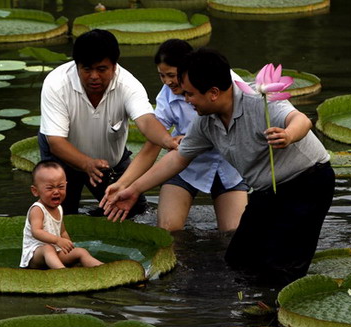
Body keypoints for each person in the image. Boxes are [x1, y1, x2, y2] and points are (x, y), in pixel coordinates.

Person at [101, 47, 335, 285]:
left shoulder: (258, 99)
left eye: (190, 94)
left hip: (308, 182)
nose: (186, 100)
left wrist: (287, 135)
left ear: (213, 93)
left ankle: (278, 312)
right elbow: (178, 158)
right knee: (238, 259)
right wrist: (134, 189)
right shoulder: (205, 122)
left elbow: (301, 120)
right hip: (267, 191)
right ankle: (248, 309)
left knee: (282, 265)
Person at [38, 29, 177, 216]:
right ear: (77, 66)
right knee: (60, 214)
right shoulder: (56, 84)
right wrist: (87, 163)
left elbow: (145, 122)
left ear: (114, 66)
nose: (94, 76)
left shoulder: (129, 85)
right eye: (87, 69)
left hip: (108, 162)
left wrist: (168, 141)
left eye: (101, 69)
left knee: (134, 211)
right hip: (62, 157)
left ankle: (95, 217)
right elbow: (55, 142)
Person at [152, 39, 248, 231]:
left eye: (171, 75)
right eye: (162, 76)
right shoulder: (168, 93)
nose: (167, 82)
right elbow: (153, 140)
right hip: (186, 162)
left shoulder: (233, 86)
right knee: (168, 229)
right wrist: (128, 187)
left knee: (234, 232)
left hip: (229, 164)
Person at [20, 161, 102, 269]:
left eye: (61, 187)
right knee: (48, 248)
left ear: (66, 185)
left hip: (55, 252)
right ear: (35, 191)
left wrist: (68, 246)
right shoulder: (37, 209)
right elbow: (36, 231)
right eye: (50, 188)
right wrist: (58, 240)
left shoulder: (59, 208)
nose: (56, 191)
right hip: (36, 255)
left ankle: (103, 269)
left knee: (80, 252)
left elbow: (62, 231)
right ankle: (63, 272)